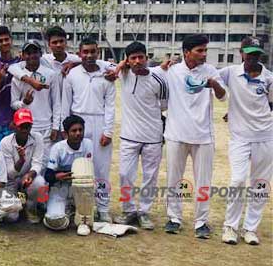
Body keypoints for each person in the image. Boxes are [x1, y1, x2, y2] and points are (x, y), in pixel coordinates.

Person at [160, 34, 226, 239]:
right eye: (199, 50)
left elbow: (223, 97)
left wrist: (213, 84)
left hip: (203, 136)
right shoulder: (171, 71)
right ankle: (174, 218)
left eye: (205, 50)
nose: (204, 54)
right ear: (186, 52)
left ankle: (201, 222)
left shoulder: (211, 71)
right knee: (174, 179)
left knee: (203, 181)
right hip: (176, 134)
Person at [220, 37, 273, 246]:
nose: (253, 57)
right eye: (249, 53)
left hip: (266, 136)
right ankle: (230, 226)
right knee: (238, 181)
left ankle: (250, 228)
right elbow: (210, 79)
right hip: (240, 137)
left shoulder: (269, 77)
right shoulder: (230, 72)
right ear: (241, 52)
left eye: (256, 53)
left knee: (259, 184)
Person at [112, 42, 168, 230]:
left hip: (153, 136)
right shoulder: (123, 74)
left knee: (150, 177)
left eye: (140, 57)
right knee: (125, 174)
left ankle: (144, 212)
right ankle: (128, 210)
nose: (137, 61)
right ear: (127, 60)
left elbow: (164, 105)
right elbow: (109, 71)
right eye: (132, 58)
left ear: (146, 58)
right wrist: (121, 66)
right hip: (129, 136)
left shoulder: (158, 79)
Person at [61, 38, 116, 222]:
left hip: (99, 122)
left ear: (98, 52)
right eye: (85, 52)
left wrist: (108, 131)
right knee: (76, 168)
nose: (89, 55)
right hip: (77, 123)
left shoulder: (107, 75)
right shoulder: (72, 74)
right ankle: (74, 205)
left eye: (93, 51)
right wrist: (64, 128)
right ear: (79, 53)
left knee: (101, 169)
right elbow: (65, 103)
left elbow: (110, 106)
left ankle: (103, 208)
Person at [43, 115, 95, 236]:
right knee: (55, 221)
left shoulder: (88, 144)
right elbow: (48, 176)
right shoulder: (57, 148)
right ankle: (66, 209)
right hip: (60, 187)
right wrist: (57, 176)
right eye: (74, 131)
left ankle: (82, 217)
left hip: (80, 188)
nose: (78, 133)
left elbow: (87, 170)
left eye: (80, 130)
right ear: (66, 134)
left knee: (86, 177)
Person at [10, 40, 61, 153]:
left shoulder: (50, 74)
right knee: (28, 161)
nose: (31, 56)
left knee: (45, 162)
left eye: (35, 52)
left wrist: (55, 127)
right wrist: (24, 103)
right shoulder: (17, 77)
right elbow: (13, 103)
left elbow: (56, 102)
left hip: (46, 126)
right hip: (25, 127)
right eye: (28, 53)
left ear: (40, 54)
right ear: (23, 55)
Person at [0, 108, 46, 223]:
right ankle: (20, 203)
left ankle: (31, 208)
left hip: (27, 177)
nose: (25, 130)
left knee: (40, 183)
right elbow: (10, 173)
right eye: (21, 126)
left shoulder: (37, 138)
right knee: (11, 217)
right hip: (11, 181)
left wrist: (30, 174)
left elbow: (37, 163)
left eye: (28, 126)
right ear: (14, 126)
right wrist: (21, 160)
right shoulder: (5, 143)